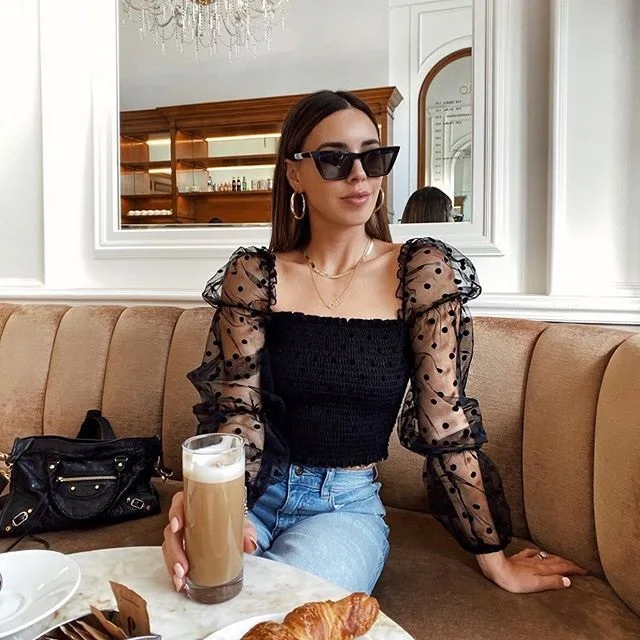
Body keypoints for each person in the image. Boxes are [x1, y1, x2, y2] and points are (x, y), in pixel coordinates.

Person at [162, 89, 586, 596]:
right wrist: (207, 501)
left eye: (373, 156)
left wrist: (495, 560)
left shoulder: (420, 272)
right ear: (294, 173)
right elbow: (237, 413)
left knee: (283, 616)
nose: (359, 175)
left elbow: (444, 422)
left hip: (342, 507)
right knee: (198, 600)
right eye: (335, 159)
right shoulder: (254, 276)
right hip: (251, 495)